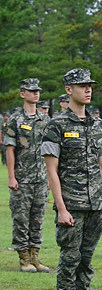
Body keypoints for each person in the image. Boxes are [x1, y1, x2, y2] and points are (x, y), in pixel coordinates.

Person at [41, 68, 102, 290]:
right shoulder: (56, 125)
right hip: (71, 203)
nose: (88, 89)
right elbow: (51, 170)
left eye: (90, 85)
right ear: (69, 89)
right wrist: (61, 207)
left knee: (86, 260)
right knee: (70, 258)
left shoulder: (97, 125)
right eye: (82, 86)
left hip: (95, 204)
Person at [5, 78, 52, 273]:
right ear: (22, 94)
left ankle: (35, 257)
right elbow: (9, 149)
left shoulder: (45, 120)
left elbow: (51, 151)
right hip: (22, 179)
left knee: (37, 219)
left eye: (37, 91)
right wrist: (11, 177)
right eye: (31, 91)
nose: (36, 94)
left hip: (41, 179)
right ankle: (24, 259)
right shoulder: (15, 120)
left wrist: (51, 177)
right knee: (21, 219)